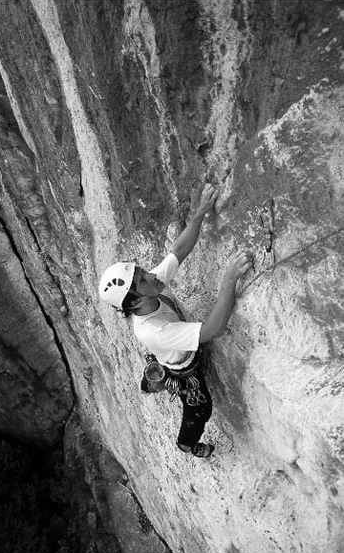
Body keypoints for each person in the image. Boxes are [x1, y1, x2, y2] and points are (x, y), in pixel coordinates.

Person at [99, 184, 252, 458]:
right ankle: (186, 443)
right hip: (183, 366)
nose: (151, 275)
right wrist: (229, 279)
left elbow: (178, 251)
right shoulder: (153, 330)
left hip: (170, 351)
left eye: (143, 271)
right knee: (200, 408)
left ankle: (152, 380)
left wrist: (200, 212)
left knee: (162, 365)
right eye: (143, 279)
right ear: (134, 301)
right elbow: (214, 329)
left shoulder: (148, 289)